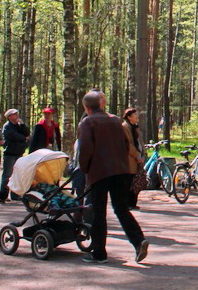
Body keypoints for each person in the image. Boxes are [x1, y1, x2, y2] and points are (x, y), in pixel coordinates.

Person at [78, 90, 148, 264]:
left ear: (86, 107)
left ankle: (99, 252)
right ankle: (138, 241)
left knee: (98, 211)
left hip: (99, 171)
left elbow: (85, 148)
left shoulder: (88, 122)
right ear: (101, 104)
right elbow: (126, 144)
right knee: (121, 208)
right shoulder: (116, 120)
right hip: (121, 170)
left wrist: (84, 168)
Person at [0, 109, 30, 201]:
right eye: (15, 114)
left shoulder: (19, 125)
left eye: (17, 114)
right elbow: (13, 136)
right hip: (10, 153)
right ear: (10, 116)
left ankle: (15, 194)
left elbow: (27, 132)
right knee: (7, 175)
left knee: (17, 175)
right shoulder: (7, 126)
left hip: (19, 153)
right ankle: (3, 194)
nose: (17, 115)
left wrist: (23, 125)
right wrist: (24, 138)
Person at [121, 108, 145, 209]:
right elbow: (128, 144)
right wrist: (137, 156)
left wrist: (143, 154)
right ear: (129, 117)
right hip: (130, 159)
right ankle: (126, 204)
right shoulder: (124, 127)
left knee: (136, 181)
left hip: (138, 159)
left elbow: (140, 142)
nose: (137, 117)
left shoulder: (136, 128)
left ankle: (133, 203)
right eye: (135, 115)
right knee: (128, 182)